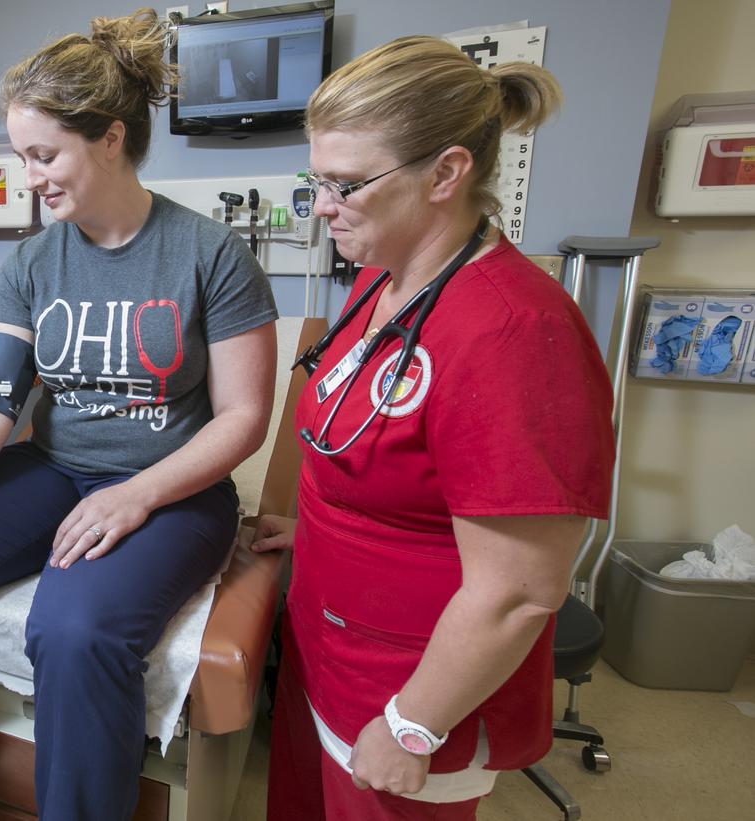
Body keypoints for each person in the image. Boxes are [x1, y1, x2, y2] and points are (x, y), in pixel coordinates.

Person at [0, 11, 279, 821]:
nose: (29, 177)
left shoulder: (209, 254)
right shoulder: (33, 261)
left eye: (43, 155)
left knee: (76, 628)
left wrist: (136, 494)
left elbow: (242, 418)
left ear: (109, 138)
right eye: (21, 156)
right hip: (54, 466)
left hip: (174, 485)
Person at [248, 36, 616, 820]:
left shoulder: (515, 333)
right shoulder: (384, 281)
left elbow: (520, 591)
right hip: (327, 644)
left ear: (447, 173)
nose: (321, 206)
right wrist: (316, 529)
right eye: (317, 180)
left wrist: (414, 723)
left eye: (345, 184)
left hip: (409, 688)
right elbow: (366, 441)